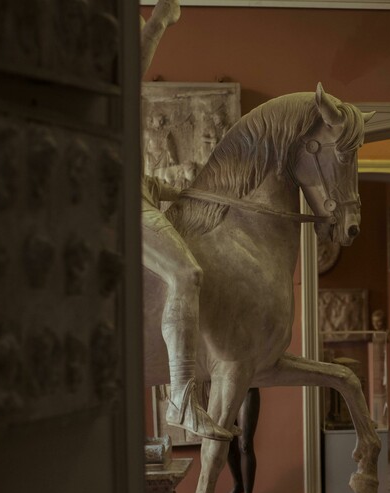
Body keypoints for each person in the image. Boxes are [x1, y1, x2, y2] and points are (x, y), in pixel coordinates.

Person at [141, 0, 231, 441]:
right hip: (122, 202)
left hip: (142, 192)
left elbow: (157, 185)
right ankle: (180, 397)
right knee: (186, 274)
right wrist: (157, 24)